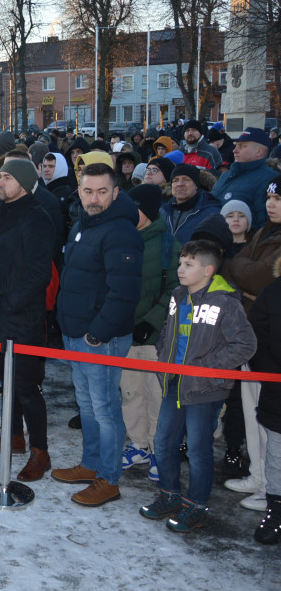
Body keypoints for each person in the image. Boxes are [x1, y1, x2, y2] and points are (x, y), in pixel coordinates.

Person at [139, 240, 256, 532]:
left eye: (188, 264)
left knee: (198, 449)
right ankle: (169, 494)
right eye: (180, 262)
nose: (180, 269)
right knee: (164, 442)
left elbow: (245, 344)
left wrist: (207, 366)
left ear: (208, 270)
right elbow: (167, 333)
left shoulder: (226, 301)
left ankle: (197, 506)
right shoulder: (178, 296)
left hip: (204, 389)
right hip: (174, 383)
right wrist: (164, 353)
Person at [53, 161, 144, 506]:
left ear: (115, 192)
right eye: (88, 190)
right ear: (79, 191)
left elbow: (124, 292)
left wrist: (98, 334)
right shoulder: (82, 224)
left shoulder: (120, 231)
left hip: (99, 338)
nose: (94, 198)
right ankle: (90, 464)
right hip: (76, 332)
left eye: (102, 191)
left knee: (105, 409)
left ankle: (109, 478)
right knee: (88, 405)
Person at [0, 160, 55, 481]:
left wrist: (10, 303)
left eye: (6, 177)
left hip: (22, 318)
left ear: (22, 182)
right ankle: (13, 438)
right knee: (6, 382)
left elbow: (38, 273)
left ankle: (40, 452)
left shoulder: (37, 218)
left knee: (26, 387)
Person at [221, 177, 281, 510]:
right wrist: (246, 274)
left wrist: (245, 274)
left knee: (272, 422)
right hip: (250, 333)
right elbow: (237, 266)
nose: (272, 203)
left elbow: (259, 277)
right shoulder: (263, 233)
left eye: (279, 198)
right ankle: (259, 476)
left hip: (273, 342)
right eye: (270, 196)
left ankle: (273, 486)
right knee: (252, 414)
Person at [117, 184, 181, 483]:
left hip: (155, 337)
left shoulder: (169, 245)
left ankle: (159, 449)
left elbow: (174, 291)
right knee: (131, 392)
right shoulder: (122, 237)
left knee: (157, 394)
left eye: (136, 206)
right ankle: (138, 444)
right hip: (125, 330)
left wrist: (151, 322)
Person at [248, 253, 281, 544]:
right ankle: (276, 512)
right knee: (277, 456)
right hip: (278, 390)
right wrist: (271, 371)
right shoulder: (273, 292)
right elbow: (255, 336)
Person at [211, 128, 278, 230]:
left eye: (242, 146)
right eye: (236, 145)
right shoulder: (226, 175)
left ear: (259, 151)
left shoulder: (270, 180)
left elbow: (266, 226)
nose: (234, 151)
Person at [160, 163, 221, 245]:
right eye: (175, 180)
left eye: (186, 179)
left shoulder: (211, 213)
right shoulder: (163, 211)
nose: (180, 184)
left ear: (196, 185)